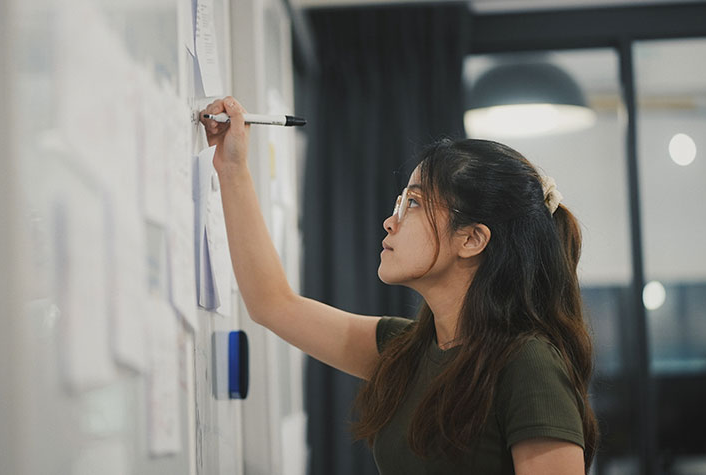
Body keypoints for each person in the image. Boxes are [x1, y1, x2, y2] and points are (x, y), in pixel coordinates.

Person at [200, 96, 599, 474]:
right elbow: (273, 304)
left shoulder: (528, 363)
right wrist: (232, 168)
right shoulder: (406, 350)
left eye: (414, 204)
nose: (391, 222)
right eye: (399, 203)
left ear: (472, 239)